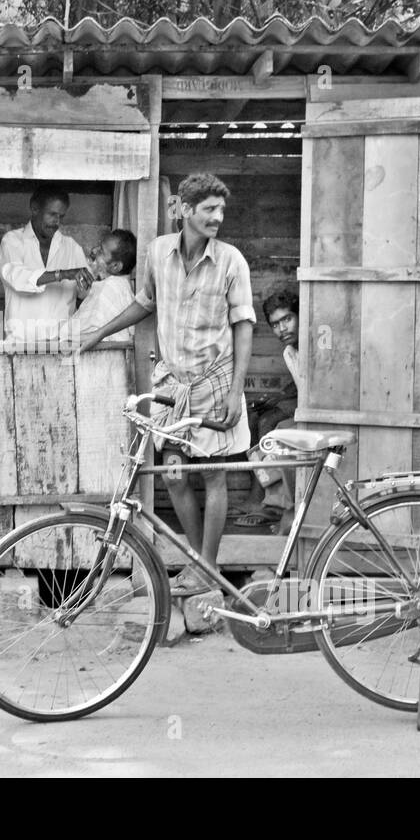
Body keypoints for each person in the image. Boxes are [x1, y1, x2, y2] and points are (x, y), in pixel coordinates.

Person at [78, 173, 255, 596]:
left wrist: (235, 391)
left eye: (221, 209)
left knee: (213, 476)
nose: (218, 217)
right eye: (210, 209)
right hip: (172, 387)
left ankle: (207, 569)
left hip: (215, 382)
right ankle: (197, 559)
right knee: (175, 476)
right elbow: (145, 302)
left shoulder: (232, 261)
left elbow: (244, 325)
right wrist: (100, 332)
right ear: (184, 210)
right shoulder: (158, 252)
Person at [237, 289, 301, 528]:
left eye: (287, 319)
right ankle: (262, 497)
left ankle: (273, 503)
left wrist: (280, 400)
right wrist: (278, 396)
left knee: (270, 427)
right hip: (298, 404)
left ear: (299, 315)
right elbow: (299, 384)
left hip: (315, 413)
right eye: (275, 325)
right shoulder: (290, 351)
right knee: (254, 419)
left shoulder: (312, 346)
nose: (282, 329)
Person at [0, 187, 92, 342]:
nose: (57, 222)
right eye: (52, 214)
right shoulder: (12, 241)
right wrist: (62, 274)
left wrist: (86, 285)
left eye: (61, 216)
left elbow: (86, 294)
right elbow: (18, 279)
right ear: (35, 208)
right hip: (21, 342)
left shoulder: (72, 247)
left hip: (61, 343)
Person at [56, 229, 137, 346]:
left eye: (101, 252)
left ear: (115, 266)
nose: (94, 251)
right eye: (98, 247)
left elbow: (106, 340)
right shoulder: (115, 285)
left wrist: (60, 338)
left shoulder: (112, 288)